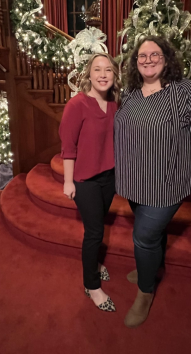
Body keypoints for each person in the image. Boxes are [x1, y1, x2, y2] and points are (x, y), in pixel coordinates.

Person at [114, 35, 191, 328]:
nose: (148, 60)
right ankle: (153, 267)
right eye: (141, 56)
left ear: (167, 58)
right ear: (135, 62)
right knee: (152, 236)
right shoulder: (131, 92)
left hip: (167, 182)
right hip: (133, 181)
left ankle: (146, 291)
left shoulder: (186, 92)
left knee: (143, 237)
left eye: (154, 54)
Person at [59, 53, 122, 312]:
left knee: (98, 227)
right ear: (89, 74)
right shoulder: (77, 104)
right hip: (85, 181)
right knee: (94, 232)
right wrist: (68, 181)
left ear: (114, 75)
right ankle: (91, 285)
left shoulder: (116, 105)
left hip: (109, 177)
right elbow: (68, 145)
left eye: (108, 69)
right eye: (98, 69)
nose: (103, 74)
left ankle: (95, 263)